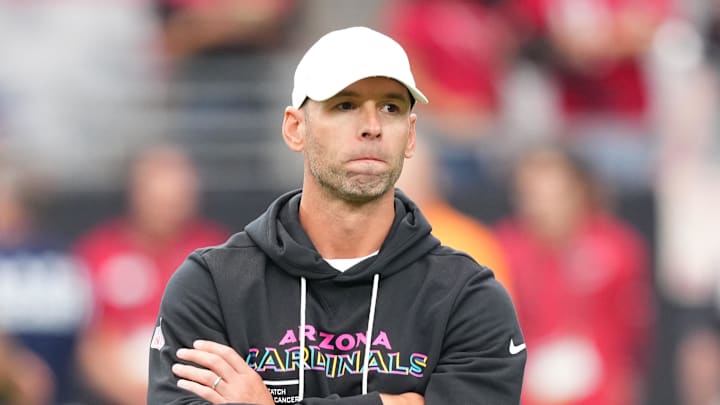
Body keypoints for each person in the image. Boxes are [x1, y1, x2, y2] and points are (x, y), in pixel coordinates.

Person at [147, 26, 526, 404]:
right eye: (345, 105)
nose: (371, 127)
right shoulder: (211, 286)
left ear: (410, 135)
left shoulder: (469, 297)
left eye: (391, 108)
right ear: (295, 128)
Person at [495, 144, 653, 405]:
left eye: (553, 195)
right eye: (531, 195)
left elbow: (631, 341)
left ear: (579, 192)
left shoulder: (617, 249)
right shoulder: (502, 249)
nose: (541, 207)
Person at [73, 144, 228, 405]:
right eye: (159, 195)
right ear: (136, 193)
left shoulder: (218, 252)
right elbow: (92, 345)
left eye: (177, 196)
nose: (168, 206)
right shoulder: (99, 251)